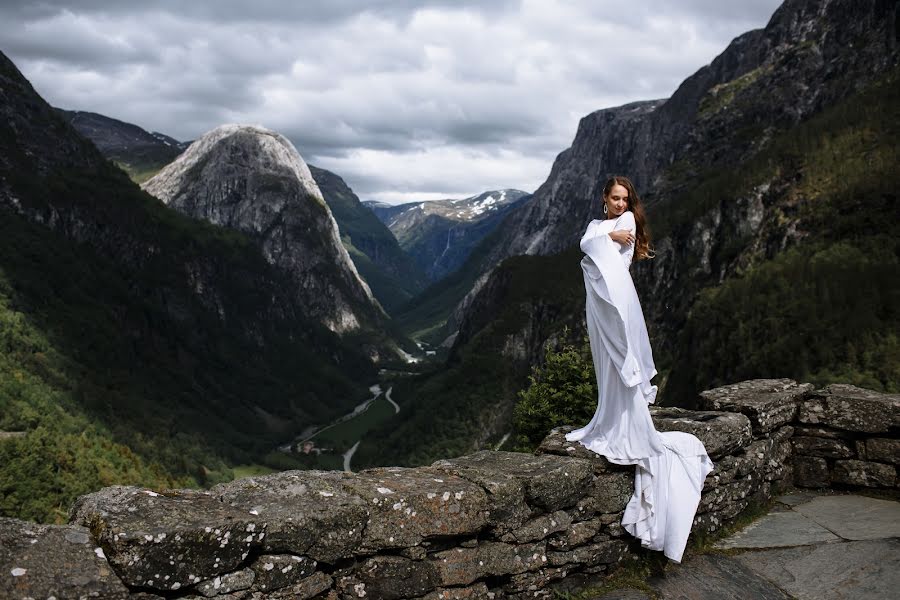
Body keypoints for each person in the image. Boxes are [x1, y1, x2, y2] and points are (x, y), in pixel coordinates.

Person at [565, 175, 713, 563]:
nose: (619, 204)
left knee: (621, 361)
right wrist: (602, 240)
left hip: (617, 303)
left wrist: (606, 241)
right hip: (598, 303)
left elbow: (608, 258)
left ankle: (627, 425)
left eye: (624, 199)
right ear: (603, 198)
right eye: (614, 198)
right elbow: (585, 244)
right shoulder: (598, 226)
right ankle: (610, 418)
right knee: (605, 365)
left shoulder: (627, 222)